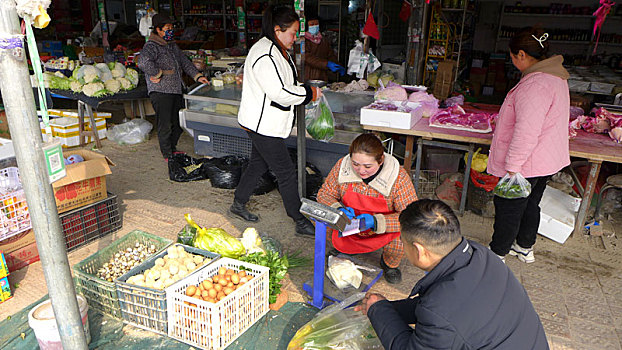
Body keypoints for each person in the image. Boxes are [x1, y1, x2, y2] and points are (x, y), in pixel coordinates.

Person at [356, 199, 549, 349]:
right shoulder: (481, 256)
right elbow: (437, 307)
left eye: (403, 241)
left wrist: (379, 311)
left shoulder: (441, 310)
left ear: (420, 250)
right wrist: (388, 309)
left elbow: (439, 313)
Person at [230, 5, 322, 237]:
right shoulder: (265, 54)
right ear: (277, 30)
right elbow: (279, 92)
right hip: (262, 125)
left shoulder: (276, 49)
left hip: (264, 122)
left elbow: (286, 84)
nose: (295, 38)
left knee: (258, 164)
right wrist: (308, 94)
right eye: (292, 33)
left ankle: (238, 203)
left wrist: (304, 89)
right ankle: (299, 219)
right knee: (286, 172)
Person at [488, 27, 570, 264]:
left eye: (513, 57)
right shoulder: (556, 77)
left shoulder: (536, 84)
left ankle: (497, 255)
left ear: (521, 55)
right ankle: (524, 247)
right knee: (531, 204)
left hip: (526, 162)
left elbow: (526, 131)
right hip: (543, 160)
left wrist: (513, 167)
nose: (513, 61)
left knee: (508, 207)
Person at [316, 133, 417, 284]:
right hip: (350, 224)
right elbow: (324, 194)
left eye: (368, 166)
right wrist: (338, 209)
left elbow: (411, 216)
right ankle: (346, 249)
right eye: (355, 164)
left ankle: (389, 264)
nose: (361, 171)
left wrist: (376, 221)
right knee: (324, 219)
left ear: (381, 160)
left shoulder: (397, 177)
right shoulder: (342, 167)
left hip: (382, 229)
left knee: (402, 236)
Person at [137, 13, 209, 160]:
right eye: (167, 28)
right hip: (161, 91)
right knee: (165, 124)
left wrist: (197, 76)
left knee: (178, 123)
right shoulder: (151, 46)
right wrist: (157, 73)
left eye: (171, 27)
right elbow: (143, 62)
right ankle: (167, 154)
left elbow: (184, 62)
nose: (171, 30)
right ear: (158, 29)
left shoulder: (171, 45)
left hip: (176, 89)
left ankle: (172, 148)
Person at [303, 16, 346, 81]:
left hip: (322, 77)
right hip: (308, 76)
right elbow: (307, 57)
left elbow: (330, 55)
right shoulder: (303, 41)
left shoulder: (323, 40)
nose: (315, 26)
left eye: (316, 24)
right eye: (312, 24)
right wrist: (326, 64)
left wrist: (337, 65)